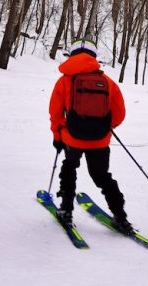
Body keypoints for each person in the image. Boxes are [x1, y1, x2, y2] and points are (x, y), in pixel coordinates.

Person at [49, 38, 133, 234]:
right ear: (94, 57)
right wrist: (103, 127)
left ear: (72, 55)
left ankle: (66, 211)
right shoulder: (108, 83)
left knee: (69, 168)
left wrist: (58, 135)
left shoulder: (64, 81)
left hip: (72, 138)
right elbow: (119, 114)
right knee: (103, 176)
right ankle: (121, 217)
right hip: (100, 141)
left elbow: (55, 113)